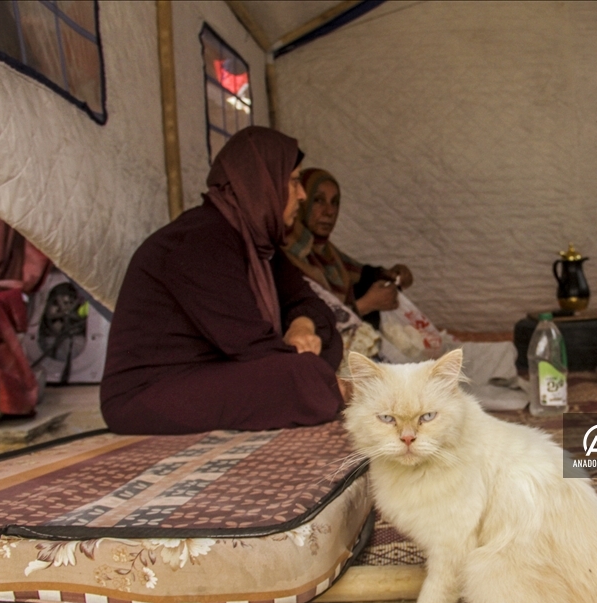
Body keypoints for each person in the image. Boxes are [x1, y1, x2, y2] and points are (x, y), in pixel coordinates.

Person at [100, 127, 344, 434]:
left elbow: (311, 304)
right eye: (294, 182)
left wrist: (302, 326)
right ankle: (341, 392)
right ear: (262, 182)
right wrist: (303, 361)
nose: (302, 195)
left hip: (215, 372)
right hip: (148, 393)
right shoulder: (200, 240)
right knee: (298, 373)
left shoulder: (260, 246)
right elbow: (251, 345)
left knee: (325, 342)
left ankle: (322, 386)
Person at [281, 168, 413, 329]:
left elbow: (360, 273)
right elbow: (302, 321)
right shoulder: (285, 255)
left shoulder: (328, 253)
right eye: (318, 200)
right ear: (302, 202)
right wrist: (365, 305)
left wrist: (391, 275)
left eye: (334, 202)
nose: (329, 212)